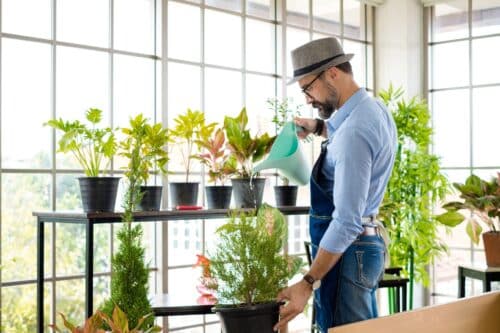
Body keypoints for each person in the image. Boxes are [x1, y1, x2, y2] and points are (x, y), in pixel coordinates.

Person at [273, 37, 397, 332]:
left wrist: (307, 282)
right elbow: (350, 135)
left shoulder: (354, 133)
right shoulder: (373, 109)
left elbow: (346, 221)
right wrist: (317, 126)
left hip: (348, 251)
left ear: (332, 73)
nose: (307, 98)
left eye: (308, 87)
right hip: (360, 248)